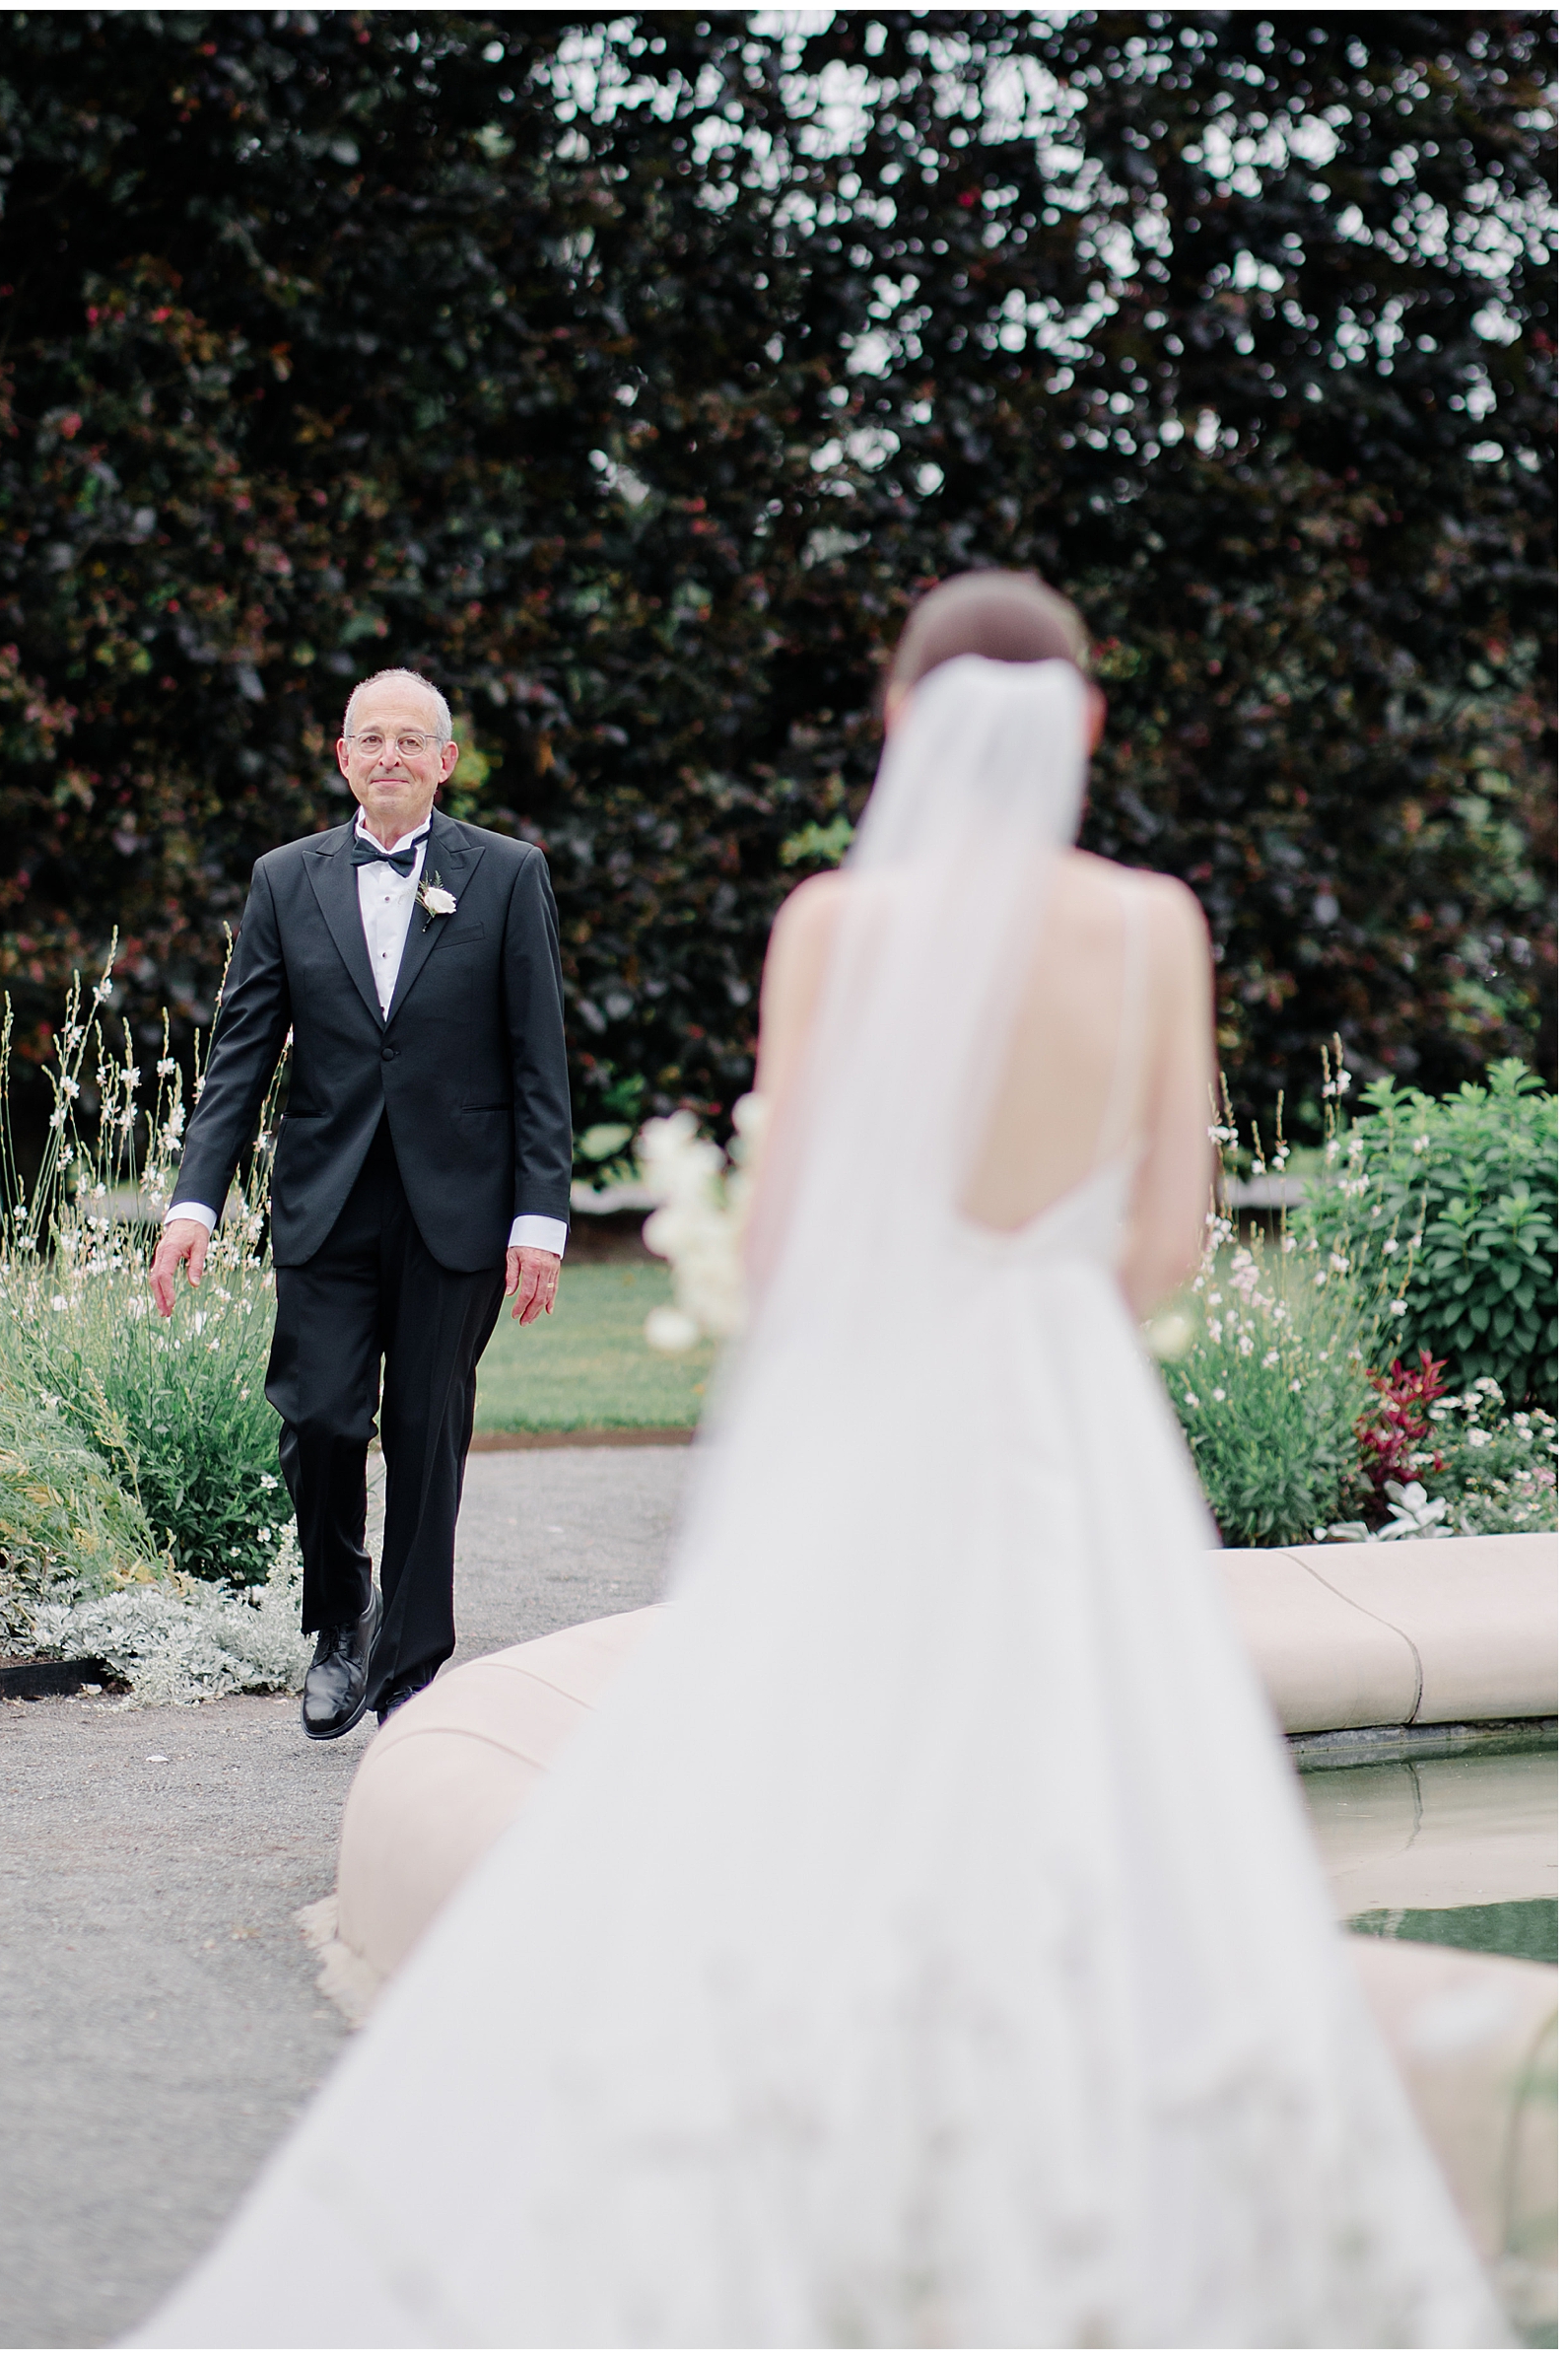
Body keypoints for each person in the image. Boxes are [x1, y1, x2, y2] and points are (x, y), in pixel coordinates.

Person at [134, 579, 1504, 2344]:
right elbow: (1167, 1237)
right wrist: (1041, 1297)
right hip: (1062, 1407)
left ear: (898, 728)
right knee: (1107, 1786)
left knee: (813, 1770)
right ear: (1083, 725)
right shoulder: (1154, 924)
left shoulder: (833, 927)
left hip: (869, 1414)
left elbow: (786, 1246)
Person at [150, 668, 571, 1740]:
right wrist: (194, 1199)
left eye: (408, 739)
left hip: (460, 1205)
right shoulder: (286, 880)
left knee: (430, 1428)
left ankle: (411, 1664)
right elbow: (240, 1054)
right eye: (367, 737)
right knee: (323, 1418)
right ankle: (340, 1618)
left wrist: (540, 1218)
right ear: (342, 757)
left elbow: (539, 1061)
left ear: (445, 760)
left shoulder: (509, 874)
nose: (387, 754)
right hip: (328, 1200)